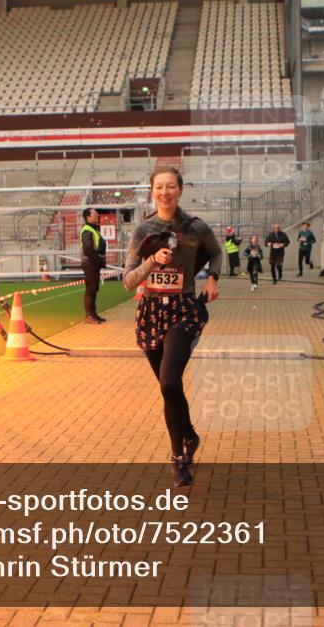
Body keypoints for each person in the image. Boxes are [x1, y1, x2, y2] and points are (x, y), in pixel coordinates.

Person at [123, 167, 222, 487]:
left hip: (183, 312)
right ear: (152, 191)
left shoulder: (195, 227)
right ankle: (190, 436)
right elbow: (128, 282)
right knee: (171, 388)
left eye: (171, 186)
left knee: (169, 382)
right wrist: (153, 261)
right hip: (151, 313)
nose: (165, 192)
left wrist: (212, 278)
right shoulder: (143, 231)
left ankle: (177, 457)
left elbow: (216, 253)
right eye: (159, 187)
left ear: (180, 189)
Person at [80, 208, 107, 324]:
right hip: (90, 263)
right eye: (95, 214)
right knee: (91, 289)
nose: (97, 216)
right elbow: (88, 249)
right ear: (88, 217)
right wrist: (98, 260)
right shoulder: (87, 230)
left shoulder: (93, 229)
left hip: (93, 263)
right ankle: (89, 316)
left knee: (94, 288)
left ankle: (93, 314)